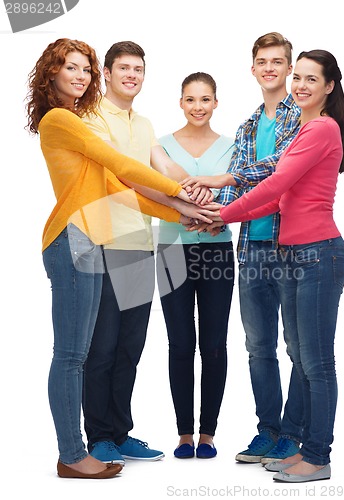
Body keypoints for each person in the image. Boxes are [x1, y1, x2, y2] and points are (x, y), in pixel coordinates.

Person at [25, 38, 208, 479]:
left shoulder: (95, 122)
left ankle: (96, 443)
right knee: (74, 355)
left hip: (95, 239)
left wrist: (181, 212)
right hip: (74, 238)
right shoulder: (63, 120)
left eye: (84, 69)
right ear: (51, 73)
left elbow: (115, 188)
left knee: (99, 350)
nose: (81, 76)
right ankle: (74, 453)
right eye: (72, 68)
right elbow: (119, 165)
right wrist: (181, 194)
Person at [208, 49, 344, 482]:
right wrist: (223, 212)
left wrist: (221, 212)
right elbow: (276, 198)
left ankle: (318, 456)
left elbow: (276, 182)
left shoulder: (321, 129)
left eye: (312, 79)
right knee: (305, 360)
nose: (302, 85)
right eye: (299, 78)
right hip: (295, 256)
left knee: (317, 363)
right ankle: (304, 449)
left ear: (329, 86)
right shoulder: (307, 129)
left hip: (318, 255)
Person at [81, 41, 214, 465]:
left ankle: (120, 434)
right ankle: (98, 437)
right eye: (123, 68)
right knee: (101, 347)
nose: (132, 75)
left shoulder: (144, 123)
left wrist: (194, 189)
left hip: (138, 245)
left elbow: (163, 165)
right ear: (105, 72)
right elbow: (125, 175)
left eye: (138, 69)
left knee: (129, 347)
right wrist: (179, 204)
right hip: (101, 243)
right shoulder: (89, 117)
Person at [182, 32, 303, 464]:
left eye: (277, 61)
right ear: (252, 69)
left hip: (292, 245)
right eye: (262, 61)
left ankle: (294, 434)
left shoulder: (302, 117)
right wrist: (210, 213)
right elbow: (236, 196)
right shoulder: (247, 126)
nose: (269, 68)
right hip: (251, 246)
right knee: (259, 347)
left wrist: (225, 183)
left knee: (297, 347)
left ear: (290, 68)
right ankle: (267, 431)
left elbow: (281, 168)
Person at [157, 72, 235, 459]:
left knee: (214, 344)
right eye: (191, 99)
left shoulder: (232, 146)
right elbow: (155, 192)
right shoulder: (161, 146)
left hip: (219, 250)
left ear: (216, 103)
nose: (198, 107)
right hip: (172, 249)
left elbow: (243, 193)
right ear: (181, 102)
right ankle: (184, 433)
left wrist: (223, 216)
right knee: (180, 344)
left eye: (205, 99)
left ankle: (208, 433)